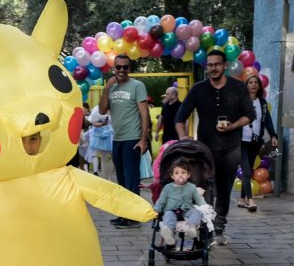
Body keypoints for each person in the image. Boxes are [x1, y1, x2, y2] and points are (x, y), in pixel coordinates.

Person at [175, 50, 255, 245]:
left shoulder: (237, 87)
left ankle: (219, 227)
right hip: (204, 150)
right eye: (209, 65)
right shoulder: (198, 89)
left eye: (217, 64)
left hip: (230, 149)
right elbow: (180, 117)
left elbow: (250, 114)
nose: (213, 68)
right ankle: (205, 226)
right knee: (204, 189)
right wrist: (183, 139)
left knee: (224, 189)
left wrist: (233, 126)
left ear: (224, 66)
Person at [98, 54, 150, 228]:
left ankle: (133, 216)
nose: (121, 70)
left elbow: (144, 114)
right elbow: (102, 110)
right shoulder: (111, 88)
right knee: (120, 180)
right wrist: (106, 89)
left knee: (131, 179)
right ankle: (124, 214)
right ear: (114, 68)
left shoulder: (137, 86)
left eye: (125, 67)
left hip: (132, 138)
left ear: (129, 69)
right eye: (118, 67)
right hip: (117, 139)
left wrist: (143, 140)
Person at [238, 74, 278, 212]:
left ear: (259, 86)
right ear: (246, 85)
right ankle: (251, 201)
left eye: (256, 82)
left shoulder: (262, 103)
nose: (253, 84)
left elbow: (267, 121)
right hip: (241, 141)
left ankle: (242, 199)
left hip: (255, 142)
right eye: (250, 82)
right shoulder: (241, 101)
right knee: (247, 170)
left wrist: (273, 135)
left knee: (249, 169)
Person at [153, 158, 208, 246]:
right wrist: (156, 210)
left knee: (196, 212)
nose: (180, 175)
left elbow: (199, 199)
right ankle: (168, 232)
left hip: (187, 210)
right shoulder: (168, 188)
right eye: (177, 173)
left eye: (183, 172)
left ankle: (191, 227)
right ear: (172, 176)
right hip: (171, 210)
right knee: (168, 216)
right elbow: (161, 201)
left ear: (188, 175)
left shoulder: (192, 187)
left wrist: (205, 207)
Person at [87, 104, 114, 181]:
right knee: (104, 158)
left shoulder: (115, 107)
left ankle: (109, 176)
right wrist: (102, 124)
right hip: (102, 135)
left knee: (115, 157)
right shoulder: (97, 108)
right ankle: (105, 178)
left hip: (113, 134)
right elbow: (93, 123)